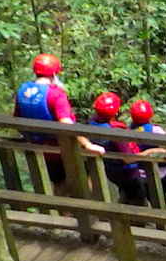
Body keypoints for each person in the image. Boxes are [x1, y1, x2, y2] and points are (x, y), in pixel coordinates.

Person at [13, 53, 105, 184]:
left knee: (58, 183)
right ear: (53, 74)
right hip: (60, 150)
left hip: (38, 148)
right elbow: (66, 123)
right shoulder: (56, 94)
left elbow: (17, 119)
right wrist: (87, 144)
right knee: (84, 176)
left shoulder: (24, 91)